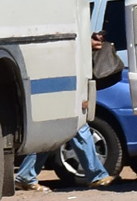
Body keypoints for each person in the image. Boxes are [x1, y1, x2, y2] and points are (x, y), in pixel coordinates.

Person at [15, 32, 116, 191]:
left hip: (57, 83)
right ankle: (96, 175)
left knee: (52, 131)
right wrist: (85, 43)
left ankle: (26, 175)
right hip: (56, 83)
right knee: (75, 125)